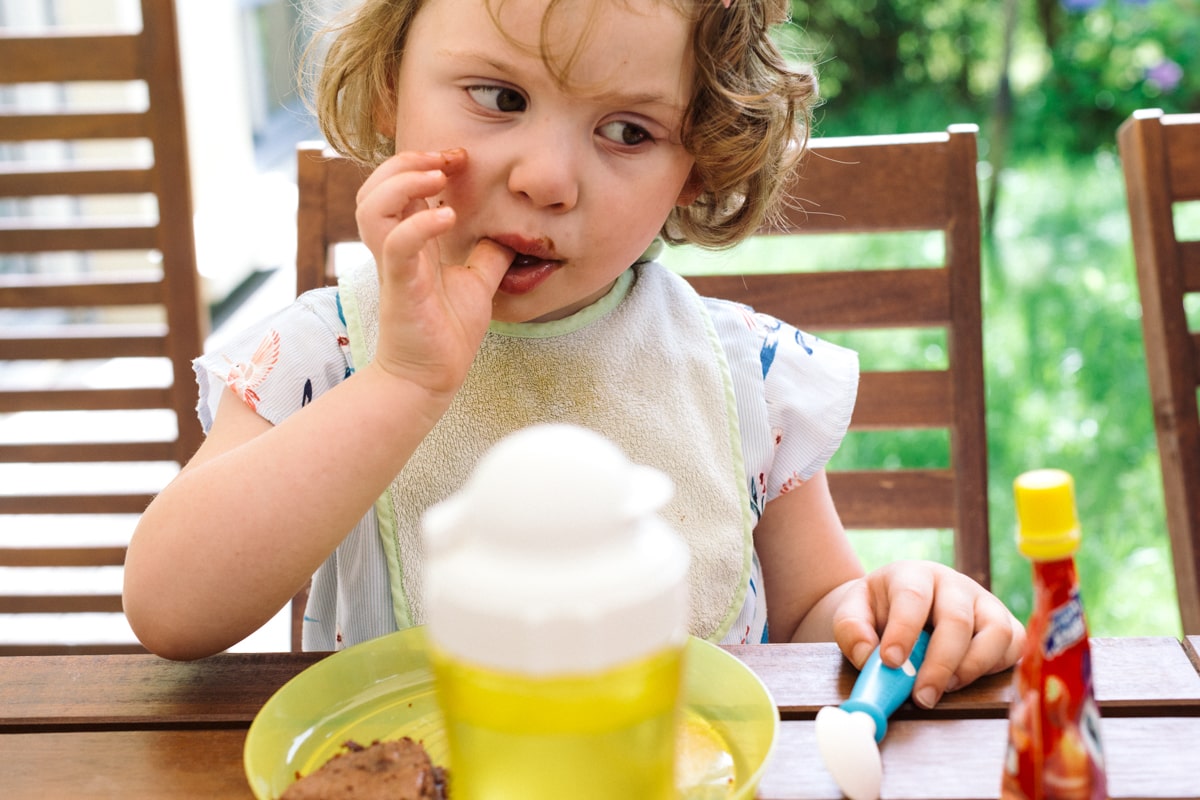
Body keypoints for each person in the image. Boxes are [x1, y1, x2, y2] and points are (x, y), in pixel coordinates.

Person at [123, 0, 1023, 710]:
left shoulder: (742, 372)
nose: (547, 179)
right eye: (500, 97)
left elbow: (811, 619)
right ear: (393, 84)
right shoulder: (327, 357)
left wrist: (896, 609)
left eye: (629, 131)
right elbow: (170, 610)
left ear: (698, 163)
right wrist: (402, 383)